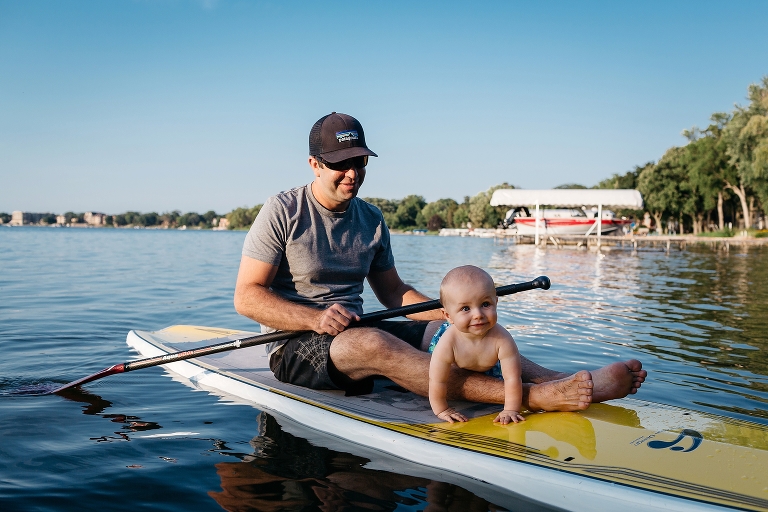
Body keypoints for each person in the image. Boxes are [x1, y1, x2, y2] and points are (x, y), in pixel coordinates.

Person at [234, 112, 646, 410]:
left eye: (359, 162)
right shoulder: (282, 210)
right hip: (293, 345)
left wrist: (451, 313)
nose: (352, 174)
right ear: (315, 164)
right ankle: (533, 397)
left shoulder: (371, 218)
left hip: (354, 329)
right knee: (376, 342)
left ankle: (570, 382)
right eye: (340, 165)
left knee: (444, 330)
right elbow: (247, 297)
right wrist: (312, 319)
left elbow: (394, 293)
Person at [429, 266, 525, 425]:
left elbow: (513, 378)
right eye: (465, 308)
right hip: (451, 353)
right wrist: (441, 409)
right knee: (439, 370)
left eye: (485, 304)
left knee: (512, 372)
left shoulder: (502, 339)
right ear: (448, 316)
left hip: (488, 366)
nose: (478, 315)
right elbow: (436, 380)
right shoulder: (448, 342)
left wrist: (510, 409)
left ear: (496, 302)